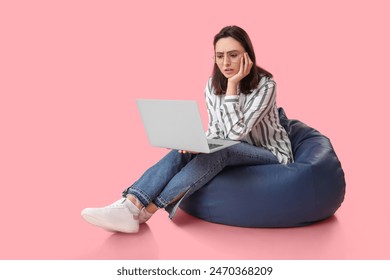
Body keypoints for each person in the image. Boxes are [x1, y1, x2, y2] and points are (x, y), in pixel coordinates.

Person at [81, 25, 294, 233]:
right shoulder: (212, 85)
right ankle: (131, 204)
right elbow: (217, 130)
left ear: (248, 56)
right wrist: (198, 145)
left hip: (270, 154)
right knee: (183, 150)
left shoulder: (266, 85)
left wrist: (232, 86)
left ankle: (147, 211)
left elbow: (236, 134)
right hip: (231, 149)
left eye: (233, 54)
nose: (226, 62)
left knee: (223, 150)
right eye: (219, 56)